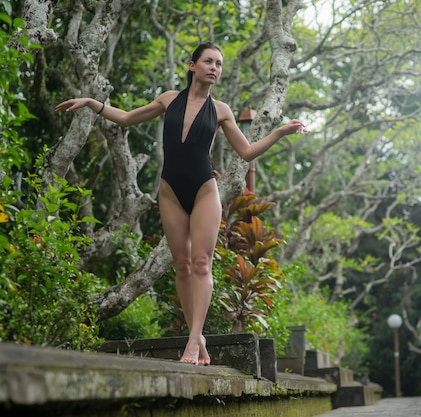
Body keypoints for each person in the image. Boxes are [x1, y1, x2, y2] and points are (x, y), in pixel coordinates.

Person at [55, 42, 306, 365]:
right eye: (208, 61)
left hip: (204, 190)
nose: (215, 67)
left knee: (201, 264)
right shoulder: (169, 99)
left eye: (219, 63)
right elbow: (128, 119)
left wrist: (279, 133)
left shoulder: (221, 110)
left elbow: (246, 152)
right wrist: (92, 102)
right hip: (169, 190)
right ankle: (198, 339)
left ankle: (192, 343)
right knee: (183, 266)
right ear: (192, 66)